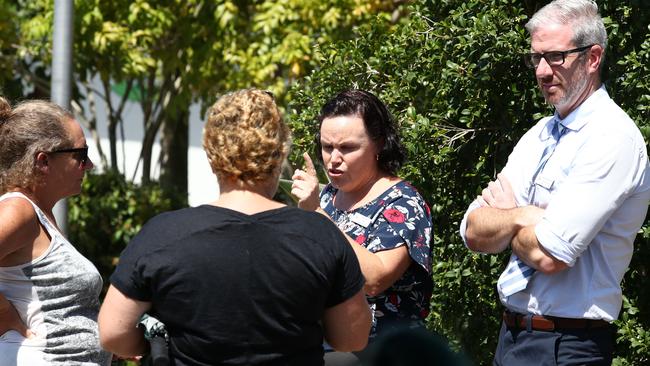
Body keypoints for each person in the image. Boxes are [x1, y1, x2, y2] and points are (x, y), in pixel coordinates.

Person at [98, 88, 372, 365]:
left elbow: (112, 334)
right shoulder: (321, 235)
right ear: (280, 153)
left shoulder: (163, 235)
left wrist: (154, 345)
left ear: (211, 153)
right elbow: (352, 338)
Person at [459, 1, 650, 364]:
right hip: (512, 336)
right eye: (536, 58)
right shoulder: (541, 134)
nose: (543, 71)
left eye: (556, 56)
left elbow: (549, 255)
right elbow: (473, 229)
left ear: (593, 58)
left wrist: (507, 215)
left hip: (567, 344)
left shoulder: (612, 138)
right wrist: (526, 216)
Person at [291, 90, 433, 358]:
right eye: (327, 147)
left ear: (379, 144)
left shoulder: (403, 203)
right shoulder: (328, 197)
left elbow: (375, 278)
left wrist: (318, 215)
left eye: (347, 148)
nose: (333, 159)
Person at [0, 97, 111, 365]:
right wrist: (5, 315)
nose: (89, 166)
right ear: (43, 161)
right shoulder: (19, 210)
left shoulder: (36, 214)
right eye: (80, 155)